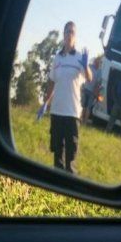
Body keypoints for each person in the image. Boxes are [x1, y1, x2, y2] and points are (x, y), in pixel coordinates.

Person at [41, 21, 91, 173]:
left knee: (71, 155)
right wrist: (45, 103)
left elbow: (89, 78)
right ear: (63, 35)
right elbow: (51, 81)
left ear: (75, 37)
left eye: (72, 32)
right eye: (67, 32)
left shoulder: (80, 58)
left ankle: (69, 183)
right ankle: (56, 182)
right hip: (57, 111)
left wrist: (86, 65)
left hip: (72, 112)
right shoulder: (58, 58)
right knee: (57, 152)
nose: (69, 35)